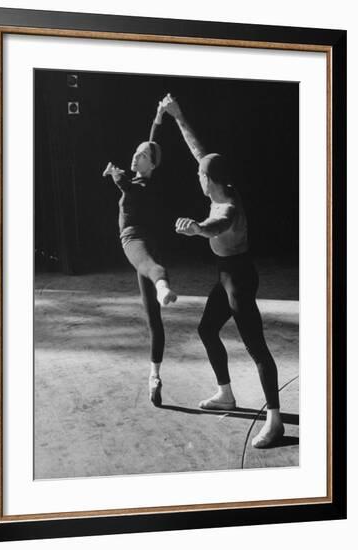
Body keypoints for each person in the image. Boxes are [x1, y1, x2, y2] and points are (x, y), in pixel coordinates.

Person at [161, 93, 285, 448]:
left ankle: (274, 421)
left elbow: (217, 225)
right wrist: (178, 115)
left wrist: (197, 229)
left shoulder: (227, 205)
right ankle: (226, 395)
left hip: (239, 279)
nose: (196, 174)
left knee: (257, 348)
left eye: (199, 174)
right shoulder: (221, 185)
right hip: (228, 275)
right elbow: (198, 151)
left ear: (208, 180)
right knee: (206, 329)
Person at [103, 102, 177, 407]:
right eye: (136, 152)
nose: (136, 156)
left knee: (150, 268)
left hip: (134, 240)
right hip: (148, 246)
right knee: (153, 320)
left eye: (143, 156)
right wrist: (157, 119)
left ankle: (162, 285)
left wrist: (115, 176)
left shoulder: (144, 183)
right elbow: (149, 142)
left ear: (152, 164)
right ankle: (154, 375)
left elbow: (130, 189)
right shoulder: (141, 174)